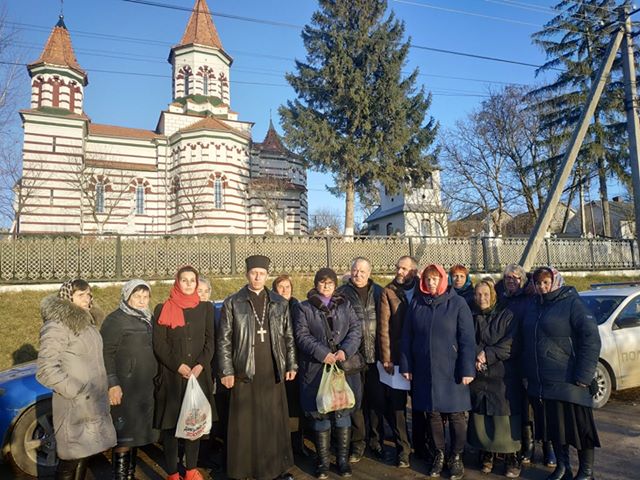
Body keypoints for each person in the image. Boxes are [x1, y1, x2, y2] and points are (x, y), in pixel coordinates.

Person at [218, 255, 297, 480]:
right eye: (254, 273)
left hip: (272, 368)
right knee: (245, 423)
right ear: (247, 274)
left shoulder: (279, 302)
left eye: (261, 273)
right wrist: (226, 371)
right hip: (244, 370)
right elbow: (224, 339)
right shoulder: (233, 302)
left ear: (267, 275)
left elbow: (288, 336)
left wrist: (291, 363)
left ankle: (274, 469)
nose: (257, 277)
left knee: (273, 421)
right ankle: (242, 470)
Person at [522, 267, 601, 480]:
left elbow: (591, 339)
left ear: (555, 281)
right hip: (543, 382)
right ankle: (563, 467)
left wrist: (584, 375)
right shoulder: (534, 305)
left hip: (570, 381)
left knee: (580, 429)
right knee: (554, 429)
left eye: (546, 282)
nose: (542, 287)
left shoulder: (572, 303)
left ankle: (586, 471)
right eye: (538, 283)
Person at [400, 264, 475, 480]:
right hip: (425, 369)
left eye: (435, 279)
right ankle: (439, 454)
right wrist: (406, 365)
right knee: (432, 414)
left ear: (443, 280)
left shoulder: (458, 303)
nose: (431, 283)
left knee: (456, 416)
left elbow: (467, 339)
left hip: (452, 370)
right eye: (428, 279)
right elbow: (407, 338)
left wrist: (467, 368)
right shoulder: (417, 303)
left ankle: (456, 456)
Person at [36, 279, 116, 480]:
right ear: (67, 297)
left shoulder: (88, 325)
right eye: (81, 294)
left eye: (89, 294)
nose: (87, 298)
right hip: (74, 403)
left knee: (84, 454)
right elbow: (46, 369)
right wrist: (77, 390)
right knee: (70, 459)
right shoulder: (57, 326)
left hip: (93, 402)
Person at [293, 268, 362, 478]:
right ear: (316, 284)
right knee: (320, 413)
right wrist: (322, 353)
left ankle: (342, 460)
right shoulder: (304, 308)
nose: (326, 286)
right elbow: (301, 334)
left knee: (342, 412)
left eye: (330, 283)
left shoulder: (345, 304)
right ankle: (323, 462)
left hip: (342, 367)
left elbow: (355, 329)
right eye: (322, 283)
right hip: (316, 368)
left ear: (334, 285)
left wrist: (345, 351)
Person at [153, 266, 216, 480]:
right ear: (177, 282)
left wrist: (200, 365)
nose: (188, 284)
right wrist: (177, 365)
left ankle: (190, 470)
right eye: (184, 280)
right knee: (171, 428)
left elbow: (210, 341)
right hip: (173, 376)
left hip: (198, 376)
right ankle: (172, 472)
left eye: (192, 280)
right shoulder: (163, 308)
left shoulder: (206, 308)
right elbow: (159, 344)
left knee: (194, 424)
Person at [497, 264, 555, 467]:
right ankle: (527, 445)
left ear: (523, 281)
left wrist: (530, 279)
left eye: (515, 278)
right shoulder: (503, 299)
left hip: (531, 357)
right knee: (522, 407)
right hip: (511, 361)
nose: (511, 281)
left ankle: (548, 447)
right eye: (507, 278)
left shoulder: (531, 298)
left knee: (540, 405)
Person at [101, 279, 159, 480]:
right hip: (125, 386)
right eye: (137, 296)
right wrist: (112, 383)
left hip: (144, 385)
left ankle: (130, 474)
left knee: (135, 434)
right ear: (127, 297)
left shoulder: (149, 317)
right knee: (124, 436)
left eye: (145, 296)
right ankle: (121, 476)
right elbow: (106, 353)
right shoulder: (115, 320)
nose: (141, 301)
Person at [468, 278, 522, 478]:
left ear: (493, 295)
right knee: (482, 416)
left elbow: (511, 342)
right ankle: (487, 454)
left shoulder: (507, 314)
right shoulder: (471, 315)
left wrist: (487, 354)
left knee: (505, 418)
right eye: (479, 294)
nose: (482, 298)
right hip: (480, 374)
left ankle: (512, 458)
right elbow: (466, 337)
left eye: (486, 294)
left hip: (502, 374)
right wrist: (476, 354)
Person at [337, 257, 384, 463]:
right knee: (354, 402)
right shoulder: (342, 294)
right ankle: (358, 443)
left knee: (375, 402)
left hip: (376, 356)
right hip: (353, 358)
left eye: (362, 272)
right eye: (355, 270)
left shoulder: (379, 292)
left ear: (369, 273)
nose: (358, 275)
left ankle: (376, 440)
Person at [378, 256, 416, 468]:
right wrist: (387, 357)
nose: (399, 271)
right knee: (398, 405)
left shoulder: (422, 288)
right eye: (397, 267)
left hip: (418, 356)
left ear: (413, 271)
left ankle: (421, 444)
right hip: (397, 355)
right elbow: (384, 327)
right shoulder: (388, 291)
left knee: (420, 404)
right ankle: (403, 448)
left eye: (404, 268)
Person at [273, 274, 310, 457]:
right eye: (280, 287)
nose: (285, 290)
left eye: (287, 286)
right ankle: (281, 445)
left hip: (297, 364)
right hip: (278, 364)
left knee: (296, 406)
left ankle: (298, 443)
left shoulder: (299, 307)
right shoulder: (271, 308)